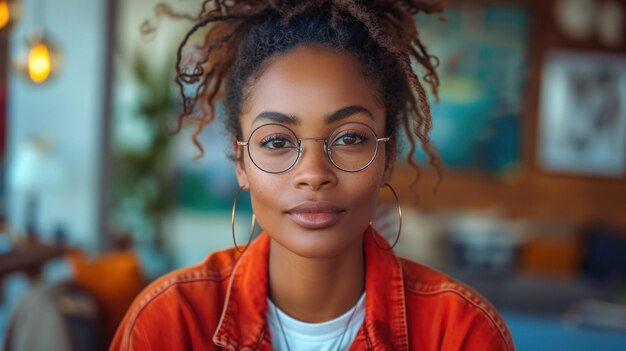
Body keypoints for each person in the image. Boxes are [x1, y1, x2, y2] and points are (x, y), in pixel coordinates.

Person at [110, 1, 515, 350]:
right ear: (240, 162)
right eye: (276, 142)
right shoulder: (168, 324)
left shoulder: (460, 333)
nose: (313, 174)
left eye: (350, 137)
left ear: (388, 155)